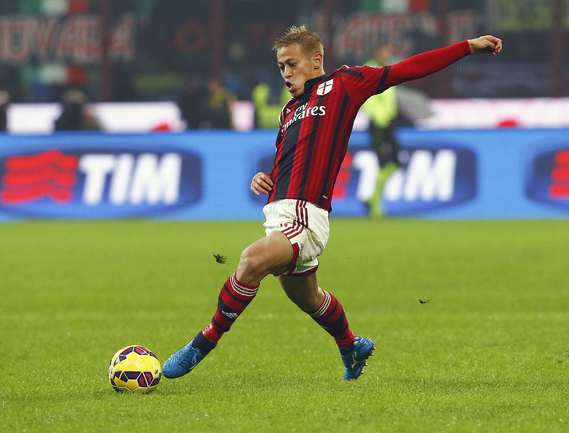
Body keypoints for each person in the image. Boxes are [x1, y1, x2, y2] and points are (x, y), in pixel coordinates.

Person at [163, 26, 502, 381]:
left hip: (305, 216)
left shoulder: (344, 85)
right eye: (281, 67)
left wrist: (467, 47)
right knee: (307, 297)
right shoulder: (289, 110)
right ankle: (351, 345)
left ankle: (203, 342)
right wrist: (266, 179)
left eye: (292, 64)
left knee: (251, 261)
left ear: (316, 60)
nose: (286, 73)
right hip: (278, 214)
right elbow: (289, 161)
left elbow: (407, 69)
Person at [361, 43, 401, 218]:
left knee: (395, 162)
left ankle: (372, 198)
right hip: (378, 124)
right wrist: (380, 118)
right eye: (384, 52)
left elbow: (390, 98)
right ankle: (375, 204)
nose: (386, 55)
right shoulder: (368, 70)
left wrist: (391, 116)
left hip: (389, 123)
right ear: (376, 53)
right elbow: (366, 98)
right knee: (384, 162)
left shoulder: (388, 69)